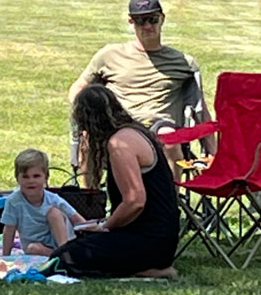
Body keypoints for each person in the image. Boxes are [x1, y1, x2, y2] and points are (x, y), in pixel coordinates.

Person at [67, 0, 216, 177]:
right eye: (140, 21)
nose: (147, 26)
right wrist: (85, 115)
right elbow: (78, 88)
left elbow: (200, 109)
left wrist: (213, 151)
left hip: (159, 127)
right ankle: (90, 200)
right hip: (116, 126)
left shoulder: (183, 63)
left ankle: (169, 202)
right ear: (131, 21)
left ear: (162, 19)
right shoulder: (109, 55)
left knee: (169, 138)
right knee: (88, 139)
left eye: (152, 19)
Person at [51, 84, 179, 277]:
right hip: (160, 236)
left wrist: (105, 227)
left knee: (65, 257)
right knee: (78, 243)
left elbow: (135, 201)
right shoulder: (136, 132)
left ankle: (150, 270)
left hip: (149, 240)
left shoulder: (120, 144)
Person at [1, 149, 89, 256]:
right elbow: (9, 230)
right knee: (32, 248)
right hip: (36, 247)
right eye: (25, 177)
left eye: (36, 176)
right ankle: (58, 255)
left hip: (62, 241)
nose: (31, 181)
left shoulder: (53, 199)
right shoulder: (13, 202)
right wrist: (5, 256)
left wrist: (92, 238)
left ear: (46, 177)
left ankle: (65, 253)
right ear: (17, 179)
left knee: (53, 212)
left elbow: (77, 219)